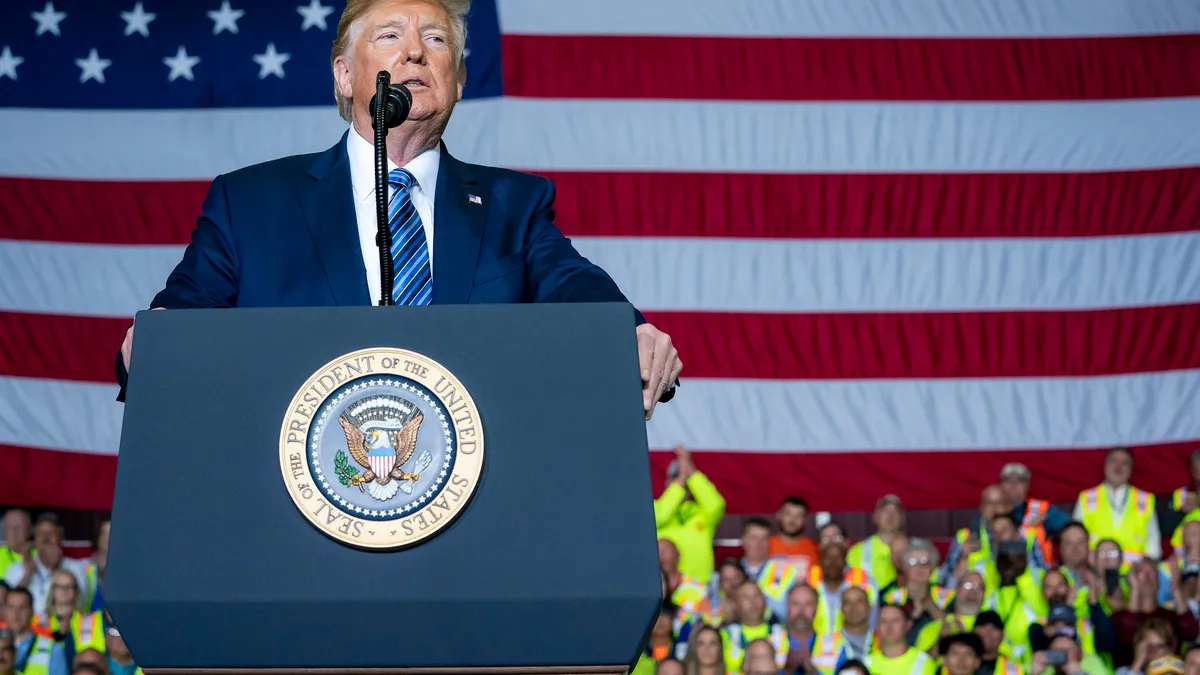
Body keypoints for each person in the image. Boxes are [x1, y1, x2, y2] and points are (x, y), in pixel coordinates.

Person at [113, 0, 683, 418]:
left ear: (457, 82)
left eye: (436, 41)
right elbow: (182, 314)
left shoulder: (514, 205)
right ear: (343, 75)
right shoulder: (251, 203)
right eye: (390, 35)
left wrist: (625, 330)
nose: (415, 50)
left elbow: (574, 285)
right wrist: (156, 338)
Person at [1073, 448, 1161, 563]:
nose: (1118, 467)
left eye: (1124, 463)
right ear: (1105, 466)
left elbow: (1153, 546)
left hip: (1133, 575)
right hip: (1096, 575)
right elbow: (1074, 539)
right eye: (1113, 461)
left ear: (1131, 469)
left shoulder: (1144, 499)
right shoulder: (1087, 498)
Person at [655, 446, 726, 583]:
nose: (683, 483)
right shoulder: (655, 508)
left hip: (698, 591)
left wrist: (692, 472)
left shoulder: (702, 513)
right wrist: (682, 479)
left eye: (687, 479)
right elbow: (660, 516)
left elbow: (716, 505)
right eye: (674, 477)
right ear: (666, 482)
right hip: (664, 587)